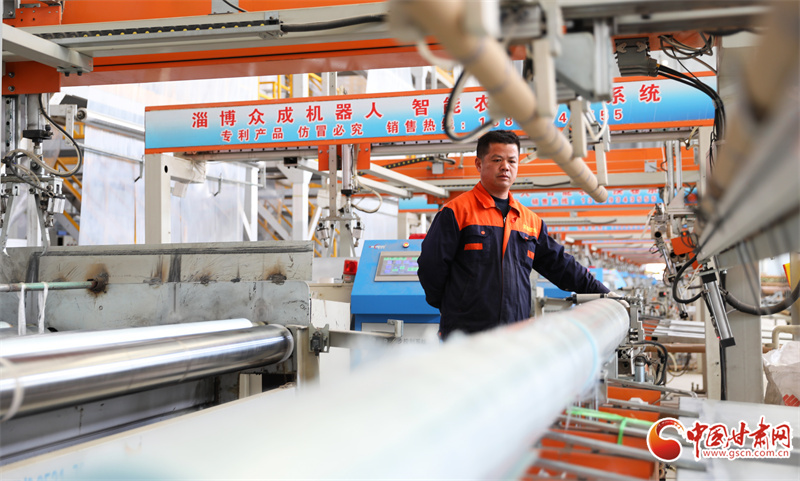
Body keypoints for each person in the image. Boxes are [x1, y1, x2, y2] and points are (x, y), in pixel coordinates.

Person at [417, 130, 609, 340]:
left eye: (512, 161)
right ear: (479, 164)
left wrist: (603, 293)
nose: (505, 166)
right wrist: (453, 306)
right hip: (465, 336)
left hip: (514, 336)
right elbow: (430, 267)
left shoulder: (530, 221)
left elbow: (561, 265)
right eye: (497, 159)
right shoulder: (457, 212)